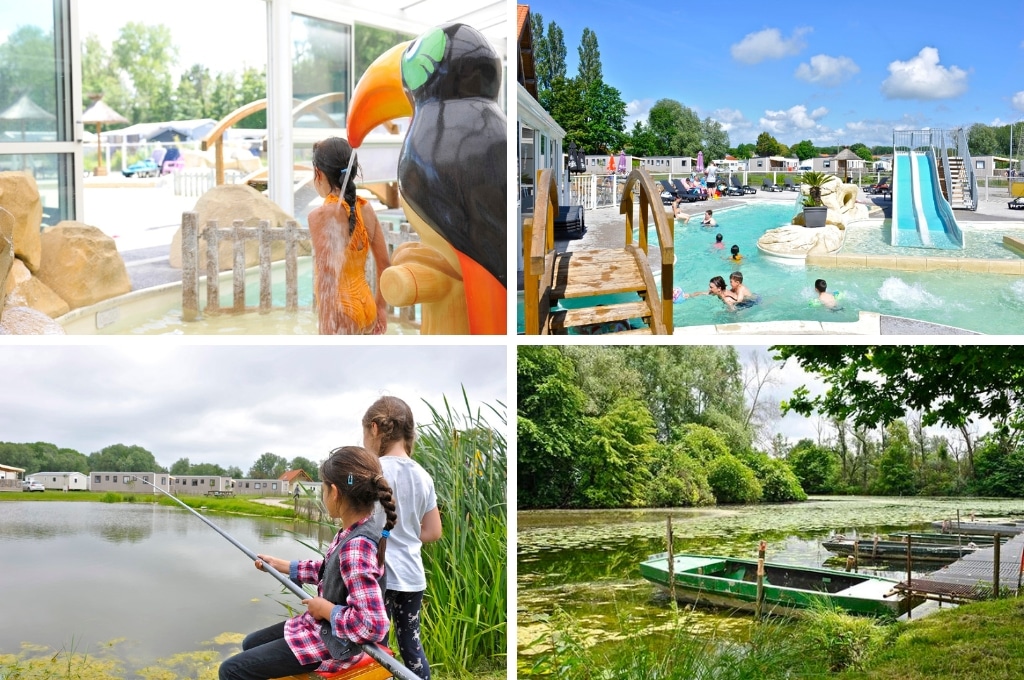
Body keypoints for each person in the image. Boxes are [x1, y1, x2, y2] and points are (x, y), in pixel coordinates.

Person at [220, 447, 395, 680]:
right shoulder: (355, 529)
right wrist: (282, 565)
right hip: (326, 629)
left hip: (337, 644)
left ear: (334, 492)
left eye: (323, 488)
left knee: (231, 671)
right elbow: (330, 571)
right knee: (250, 643)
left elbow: (372, 625)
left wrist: (326, 609)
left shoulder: (357, 545)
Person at [362, 396, 442, 680]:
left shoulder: (368, 471)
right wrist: (404, 532)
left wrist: (344, 477)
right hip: (412, 576)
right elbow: (433, 531)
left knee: (374, 648)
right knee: (411, 644)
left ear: (374, 429)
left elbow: (344, 487)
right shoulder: (425, 476)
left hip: (378, 575)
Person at [308, 137, 391, 335]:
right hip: (368, 308)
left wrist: (326, 326)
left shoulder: (320, 216)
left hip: (342, 313)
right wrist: (380, 308)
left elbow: (327, 275)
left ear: (318, 173)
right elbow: (385, 264)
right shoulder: (367, 209)